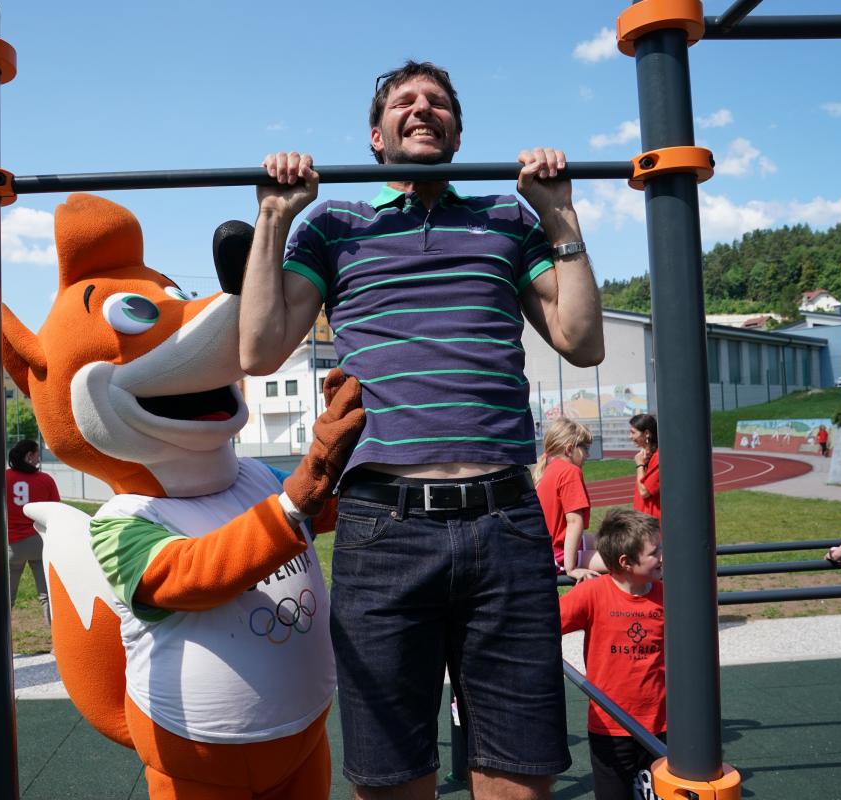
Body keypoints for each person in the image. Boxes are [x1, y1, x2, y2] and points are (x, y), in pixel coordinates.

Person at [240, 60, 604, 799]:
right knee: (390, 774)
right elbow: (258, 349)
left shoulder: (507, 219)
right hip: (385, 530)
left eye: (438, 101)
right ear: (376, 138)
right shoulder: (333, 225)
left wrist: (560, 214)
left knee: (520, 771)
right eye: (403, 101)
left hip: (505, 522)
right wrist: (273, 217)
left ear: (458, 133)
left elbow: (583, 340)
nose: (422, 108)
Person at [559, 509, 666, 800]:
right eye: (655, 552)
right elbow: (543, 628)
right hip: (610, 726)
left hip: (661, 723)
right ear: (626, 562)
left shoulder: (666, 595)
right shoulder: (592, 594)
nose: (663, 557)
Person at [533, 418, 605, 580]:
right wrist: (571, 568)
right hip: (558, 555)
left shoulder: (550, 468)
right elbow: (574, 522)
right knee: (630, 558)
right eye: (585, 448)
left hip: (549, 548)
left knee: (618, 542)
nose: (588, 454)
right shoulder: (569, 471)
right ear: (569, 449)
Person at [5, 439, 59, 626]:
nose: (39, 458)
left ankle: (0, 638)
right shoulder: (45, 480)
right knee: (47, 595)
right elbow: (55, 511)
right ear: (29, 455)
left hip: (12, 543)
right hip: (39, 542)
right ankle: (56, 636)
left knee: (7, 597)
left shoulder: (3, 478)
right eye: (37, 454)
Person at [629, 413, 660, 519]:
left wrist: (640, 465)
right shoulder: (646, 456)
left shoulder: (658, 457)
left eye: (633, 432)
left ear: (646, 433)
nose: (630, 437)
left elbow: (644, 491)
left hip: (650, 521)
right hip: (641, 519)